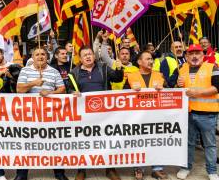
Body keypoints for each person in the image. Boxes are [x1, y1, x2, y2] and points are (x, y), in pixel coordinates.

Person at [68, 46, 124, 180]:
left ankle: (110, 168)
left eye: (90, 54)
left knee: (107, 139)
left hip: (105, 112)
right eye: (84, 55)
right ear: (80, 59)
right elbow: (69, 89)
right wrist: (72, 93)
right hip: (84, 113)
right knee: (83, 141)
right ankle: (81, 169)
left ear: (94, 56)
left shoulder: (103, 67)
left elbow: (117, 78)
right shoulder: (74, 72)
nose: (87, 57)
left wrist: (119, 68)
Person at [15, 47, 68, 180]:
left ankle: (59, 174)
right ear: (32, 57)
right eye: (37, 54)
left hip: (50, 114)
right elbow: (19, 89)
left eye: (43, 54)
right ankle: (21, 175)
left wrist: (50, 93)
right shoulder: (25, 70)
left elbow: (62, 89)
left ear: (47, 57)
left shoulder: (54, 71)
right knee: (25, 144)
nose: (40, 57)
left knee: (55, 144)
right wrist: (34, 83)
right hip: (29, 114)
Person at [176, 44, 219, 180]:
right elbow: (179, 89)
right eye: (191, 54)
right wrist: (178, 84)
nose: (194, 56)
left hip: (207, 114)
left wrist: (197, 92)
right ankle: (186, 167)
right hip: (188, 113)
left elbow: (217, 87)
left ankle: (212, 171)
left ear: (203, 55)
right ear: (187, 56)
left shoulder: (213, 67)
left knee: (210, 144)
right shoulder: (182, 69)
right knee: (188, 143)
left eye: (197, 53)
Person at [123, 51, 168, 180]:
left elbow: (171, 92)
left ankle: (157, 169)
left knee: (157, 142)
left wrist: (164, 87)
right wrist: (130, 91)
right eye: (147, 59)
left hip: (156, 116)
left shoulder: (160, 75)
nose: (151, 61)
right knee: (139, 143)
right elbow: (123, 96)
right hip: (138, 117)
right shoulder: (131, 76)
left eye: (151, 59)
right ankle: (139, 168)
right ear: (139, 62)